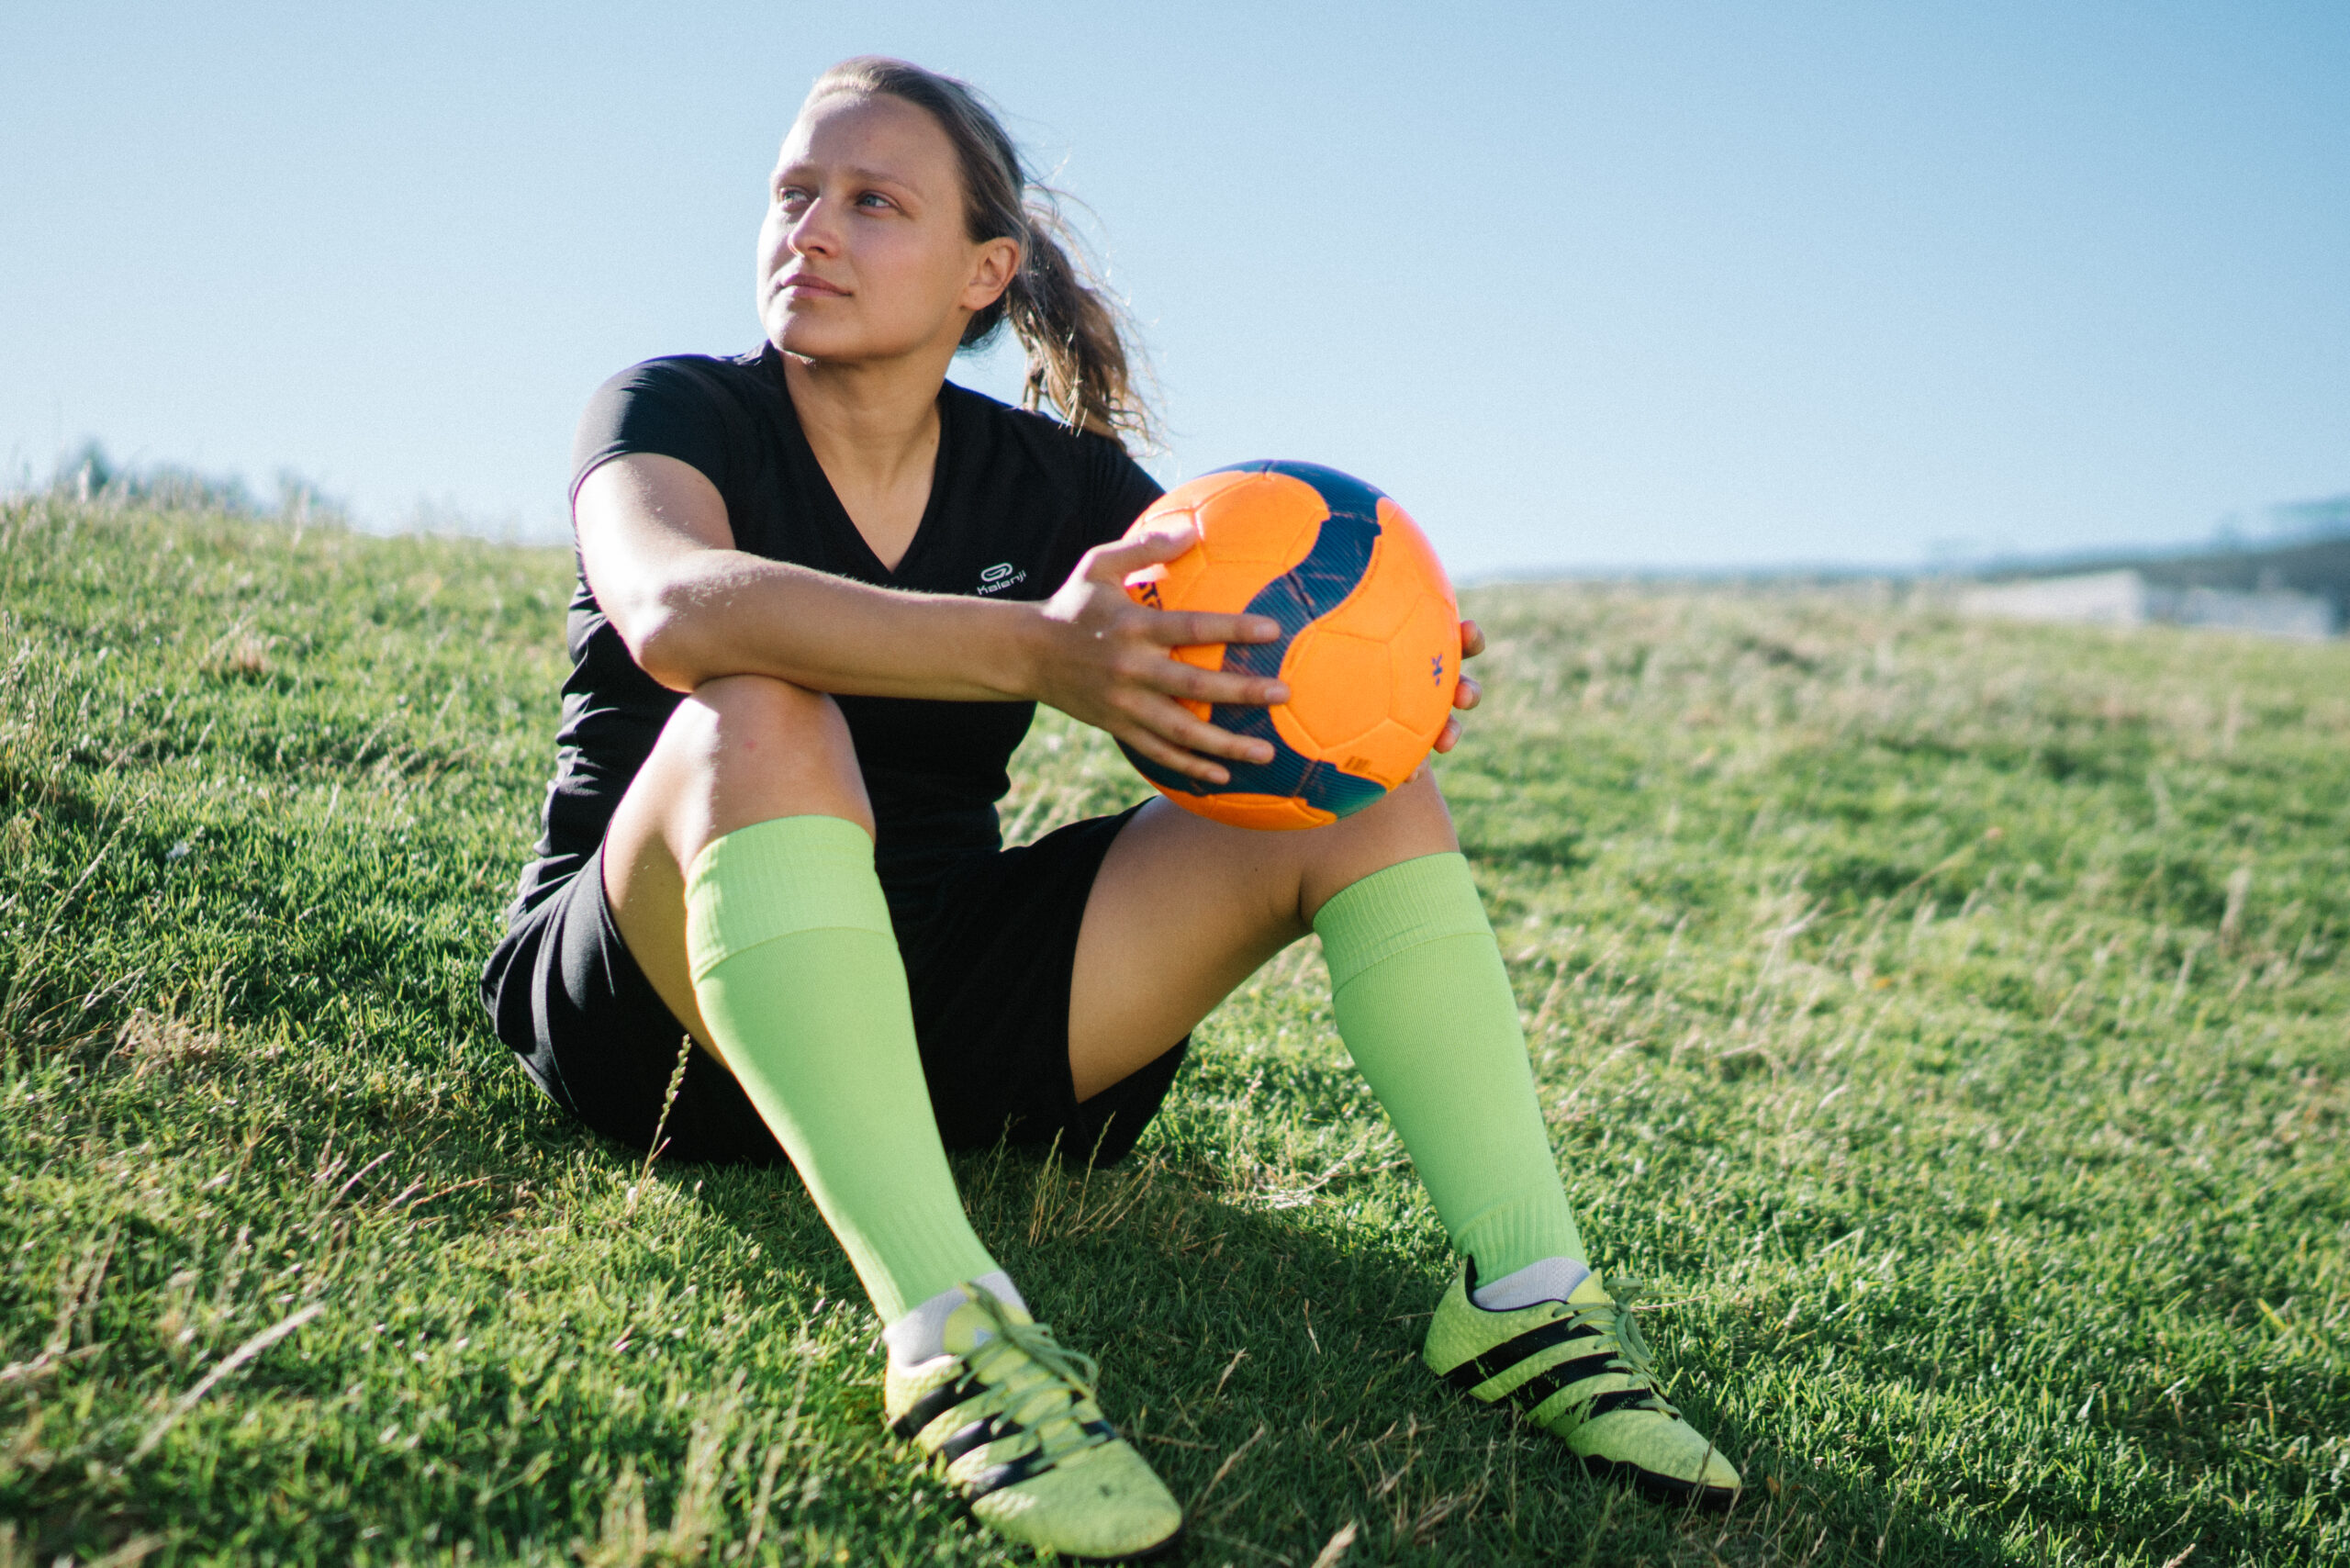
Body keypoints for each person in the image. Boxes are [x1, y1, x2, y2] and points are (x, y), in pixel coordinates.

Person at [481, 55, 1739, 1561]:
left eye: (874, 202)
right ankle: (957, 1338)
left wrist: (1368, 683)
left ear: (982, 273)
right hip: (659, 1012)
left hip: (941, 997)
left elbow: (1226, 655)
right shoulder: (676, 409)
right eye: (794, 193)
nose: (810, 229)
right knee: (762, 707)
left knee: (1370, 796)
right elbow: (676, 610)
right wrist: (1035, 650)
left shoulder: (1057, 480)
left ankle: (1528, 1303)